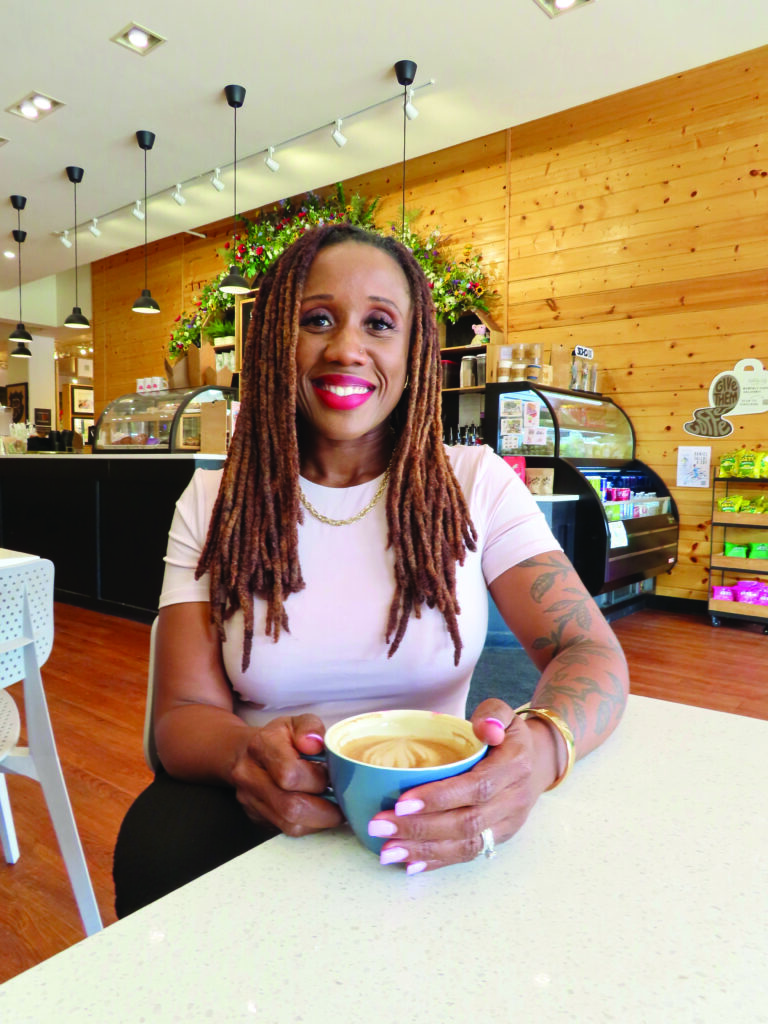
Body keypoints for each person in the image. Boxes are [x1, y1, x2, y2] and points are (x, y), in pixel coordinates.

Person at [113, 223, 629, 915]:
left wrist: (538, 753)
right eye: (317, 319)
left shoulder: (476, 483)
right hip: (266, 816)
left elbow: (589, 648)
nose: (346, 347)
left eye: (379, 324)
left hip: (430, 812)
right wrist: (245, 756)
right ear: (276, 344)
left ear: (415, 354)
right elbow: (183, 715)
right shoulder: (215, 501)